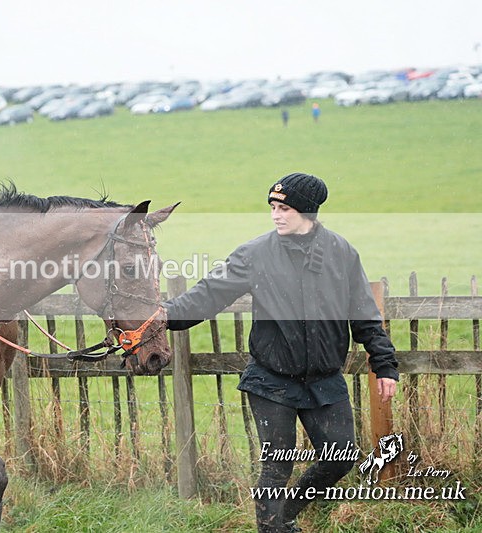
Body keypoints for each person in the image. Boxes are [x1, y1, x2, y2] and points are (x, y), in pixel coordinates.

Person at [163, 173, 398, 533]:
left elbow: (364, 315)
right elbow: (208, 294)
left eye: (284, 208)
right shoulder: (255, 254)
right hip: (271, 380)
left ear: (307, 211)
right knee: (276, 466)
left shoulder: (341, 253)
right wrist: (161, 318)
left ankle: (284, 514)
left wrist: (384, 364)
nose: (276, 214)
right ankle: (272, 528)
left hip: (324, 382)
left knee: (341, 458)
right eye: (273, 207)